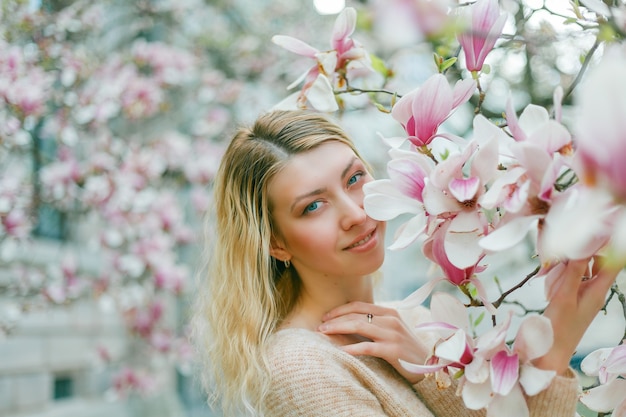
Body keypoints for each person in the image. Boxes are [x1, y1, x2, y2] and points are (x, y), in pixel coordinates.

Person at [191, 109, 622, 417]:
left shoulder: (411, 321)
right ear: (276, 244)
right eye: (313, 206)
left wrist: (560, 327)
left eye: (355, 179)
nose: (357, 213)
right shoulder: (299, 368)